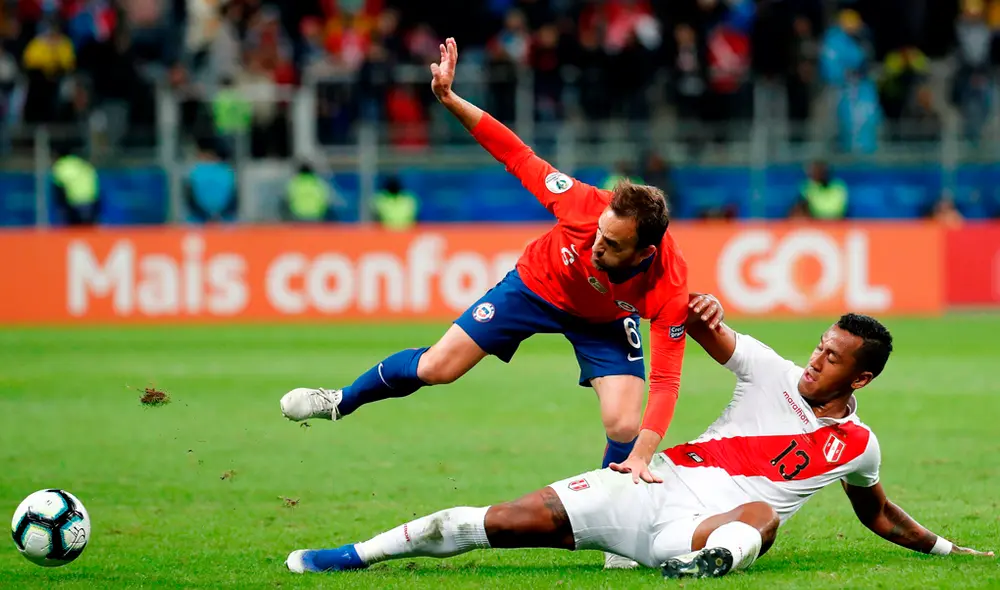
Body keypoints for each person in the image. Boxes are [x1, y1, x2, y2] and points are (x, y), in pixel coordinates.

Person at [280, 38, 695, 569]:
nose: (597, 246)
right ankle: (340, 399)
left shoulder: (669, 286)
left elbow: (666, 382)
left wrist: (641, 457)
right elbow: (514, 152)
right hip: (535, 287)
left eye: (612, 246)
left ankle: (614, 523)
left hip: (605, 320)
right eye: (598, 235)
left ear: (646, 252)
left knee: (623, 425)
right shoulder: (583, 206)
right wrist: (450, 98)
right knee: (436, 368)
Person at [284, 300, 994, 578]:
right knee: (481, 522)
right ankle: (351, 557)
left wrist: (944, 548)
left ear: (860, 378)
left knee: (760, 516)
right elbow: (713, 333)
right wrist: (706, 310)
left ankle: (710, 564)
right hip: (642, 486)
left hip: (700, 529)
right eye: (819, 346)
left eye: (833, 358)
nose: (815, 360)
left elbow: (877, 513)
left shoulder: (859, 446)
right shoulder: (768, 370)